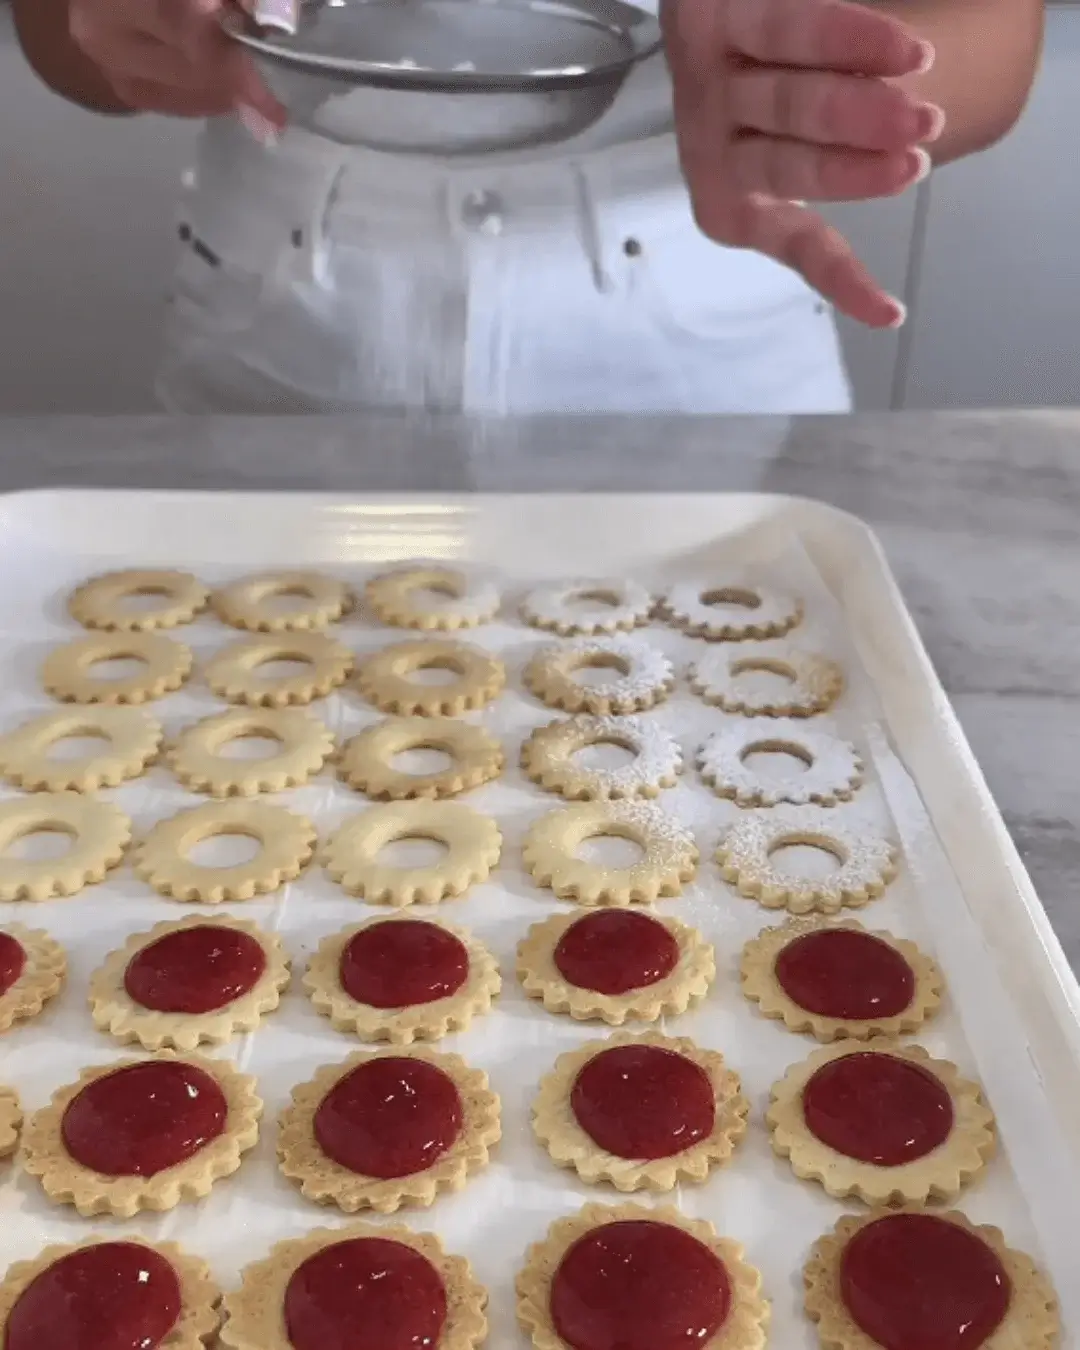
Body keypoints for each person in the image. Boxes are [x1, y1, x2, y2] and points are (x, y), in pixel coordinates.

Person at [15, 0, 1041, 414]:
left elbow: (993, 40)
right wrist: (129, 29)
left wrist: (812, 82)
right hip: (273, 342)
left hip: (702, 352)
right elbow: (61, 39)